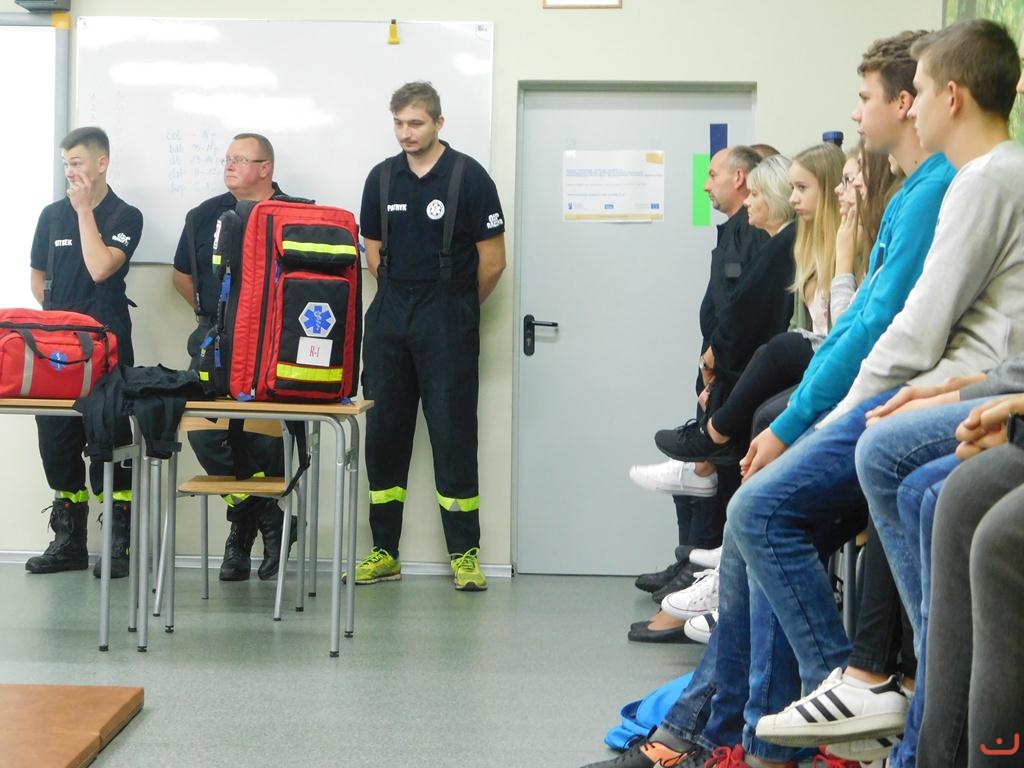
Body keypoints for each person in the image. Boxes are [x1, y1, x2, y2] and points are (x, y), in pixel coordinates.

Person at [579, 29, 954, 768]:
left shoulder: (944, 188)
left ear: (911, 103)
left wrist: (805, 422)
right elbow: (862, 327)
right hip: (885, 406)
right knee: (755, 516)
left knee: (758, 510)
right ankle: (739, 739)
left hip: (908, 415)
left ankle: (824, 714)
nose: (856, 114)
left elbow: (881, 333)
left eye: (865, 98)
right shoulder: (913, 196)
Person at [747, 21, 1024, 768]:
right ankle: (875, 685)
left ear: (950, 97)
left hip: (974, 387)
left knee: (870, 455)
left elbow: (913, 329)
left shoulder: (981, 180)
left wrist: (834, 415)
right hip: (967, 381)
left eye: (920, 91)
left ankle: (893, 685)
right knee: (838, 463)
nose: (910, 104)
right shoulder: (964, 181)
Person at [355, 81, 506, 591]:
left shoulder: (470, 177)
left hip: (448, 319)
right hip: (389, 317)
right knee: (384, 436)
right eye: (399, 123)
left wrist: (456, 307)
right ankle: (384, 552)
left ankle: (464, 556)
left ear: (439, 123)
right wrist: (400, 298)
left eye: (415, 123)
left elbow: (493, 262)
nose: (406, 133)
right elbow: (372, 251)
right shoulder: (381, 178)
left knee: (453, 435)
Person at [171, 132, 296, 582]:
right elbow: (183, 276)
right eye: (228, 158)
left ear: (266, 168)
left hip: (271, 343)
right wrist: (218, 318)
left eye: (241, 159)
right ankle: (263, 517)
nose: (229, 165)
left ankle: (244, 532)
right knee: (206, 434)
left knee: (263, 439)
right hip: (215, 341)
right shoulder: (203, 215)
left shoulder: (294, 213)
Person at [26, 126, 143, 579]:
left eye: (76, 163)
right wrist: (55, 317)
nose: (70, 172)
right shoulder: (50, 215)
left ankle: (118, 543)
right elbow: (38, 276)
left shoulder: (125, 215)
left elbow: (99, 269)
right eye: (65, 164)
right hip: (56, 349)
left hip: (106, 345)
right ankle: (69, 541)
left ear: (101, 163)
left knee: (108, 436)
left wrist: (83, 212)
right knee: (56, 440)